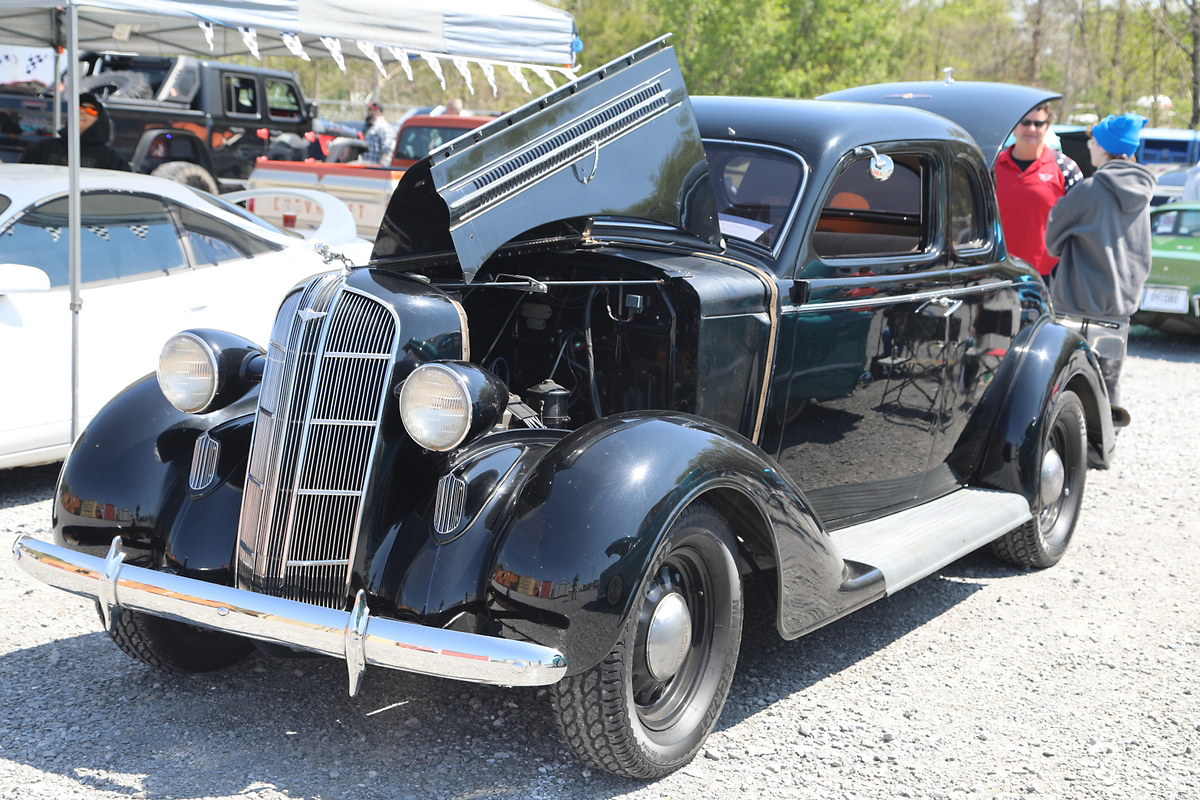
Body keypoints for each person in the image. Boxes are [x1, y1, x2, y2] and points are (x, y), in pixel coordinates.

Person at [1045, 113, 1155, 411]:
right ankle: (1103, 451)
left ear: (1103, 147)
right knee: (1107, 382)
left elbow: (1052, 243)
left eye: (1092, 141)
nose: (1089, 146)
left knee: (1066, 378)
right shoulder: (1143, 192)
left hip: (1077, 306)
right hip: (1119, 307)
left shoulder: (1089, 190)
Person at [994, 101, 1083, 284]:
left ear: (1047, 127)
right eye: (1025, 123)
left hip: (1050, 275)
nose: (1031, 129)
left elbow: (1081, 222)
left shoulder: (1066, 168)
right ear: (1014, 127)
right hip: (999, 270)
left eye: (1038, 123)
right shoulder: (991, 168)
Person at [18, 92, 131, 171]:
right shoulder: (41, 148)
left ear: (100, 120)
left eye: (91, 111)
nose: (82, 112)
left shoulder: (112, 159)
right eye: (79, 108)